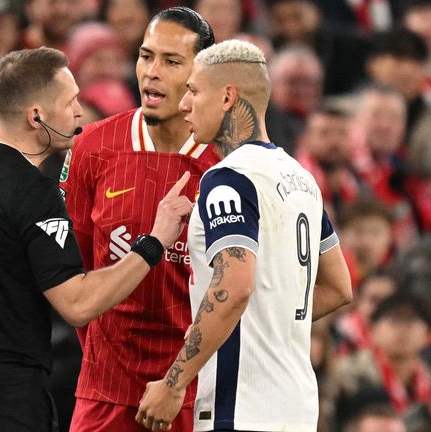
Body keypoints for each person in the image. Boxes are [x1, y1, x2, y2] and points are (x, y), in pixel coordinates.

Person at [0, 46, 194, 432]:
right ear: (37, 116)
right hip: (2, 403)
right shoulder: (33, 191)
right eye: (71, 103)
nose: (80, 113)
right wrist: (154, 241)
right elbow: (78, 303)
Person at [135, 39, 352, 431]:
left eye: (194, 91)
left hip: (241, 410)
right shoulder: (301, 177)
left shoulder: (227, 180)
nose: (184, 104)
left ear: (227, 97)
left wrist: (174, 382)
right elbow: (339, 286)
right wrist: (264, 323)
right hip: (298, 409)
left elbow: (234, 287)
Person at [61, 7, 218, 432]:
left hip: (195, 396)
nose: (151, 72)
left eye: (170, 62)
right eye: (146, 57)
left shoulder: (228, 164)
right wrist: (102, 357)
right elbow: (73, 270)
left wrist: (178, 380)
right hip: (105, 390)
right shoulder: (93, 147)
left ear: (200, 75)